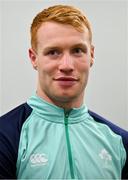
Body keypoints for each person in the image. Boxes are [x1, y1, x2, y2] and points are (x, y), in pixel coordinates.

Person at [0, 4, 128, 179]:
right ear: (33, 58)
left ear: (91, 55)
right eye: (53, 52)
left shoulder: (120, 141)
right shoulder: (4, 136)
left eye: (77, 51)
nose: (67, 66)